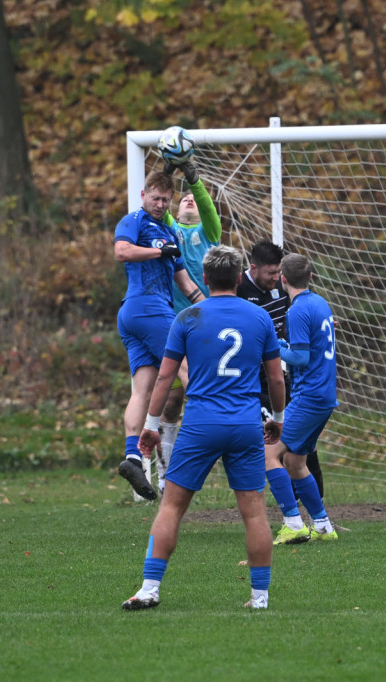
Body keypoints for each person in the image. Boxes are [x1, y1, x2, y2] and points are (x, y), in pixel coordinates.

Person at [121, 245, 286, 610]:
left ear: (206, 279)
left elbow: (165, 377)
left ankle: (150, 588)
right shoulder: (259, 318)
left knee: (172, 507)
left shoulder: (188, 317)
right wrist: (277, 419)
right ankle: (259, 597)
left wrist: (150, 425)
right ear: (240, 276)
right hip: (245, 425)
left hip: (200, 424)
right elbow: (275, 378)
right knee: (255, 513)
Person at [114, 169, 205, 501]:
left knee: (144, 388)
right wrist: (159, 252)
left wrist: (214, 310)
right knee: (187, 365)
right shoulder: (133, 220)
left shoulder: (170, 231)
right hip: (147, 307)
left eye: (166, 199)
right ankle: (207, 429)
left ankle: (133, 456)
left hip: (139, 314)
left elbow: (186, 284)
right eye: (156, 197)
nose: (160, 203)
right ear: (144, 195)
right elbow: (122, 252)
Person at [237, 239, 325, 498]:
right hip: (252, 381)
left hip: (279, 376)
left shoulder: (282, 290)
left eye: (279, 273)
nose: (276, 278)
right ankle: (292, 511)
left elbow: (291, 326)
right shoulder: (237, 289)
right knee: (270, 446)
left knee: (306, 446)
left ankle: (315, 512)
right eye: (270, 273)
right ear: (253, 268)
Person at [154, 162, 223, 495]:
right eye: (182, 199)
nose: (189, 201)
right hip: (175, 325)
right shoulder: (169, 231)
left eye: (192, 199)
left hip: (208, 325)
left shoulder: (210, 233)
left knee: (204, 392)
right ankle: (163, 474)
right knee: (172, 402)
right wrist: (168, 171)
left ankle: (214, 452)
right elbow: (159, 203)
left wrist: (194, 178)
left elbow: (205, 204)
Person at [263, 253, 339, 545]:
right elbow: (308, 349)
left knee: (267, 454)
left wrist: (273, 348)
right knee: (295, 461)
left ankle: (293, 523)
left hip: (309, 396)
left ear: (283, 280)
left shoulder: (296, 311)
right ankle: (322, 525)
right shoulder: (319, 303)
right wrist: (285, 346)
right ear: (311, 277)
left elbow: (301, 357)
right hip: (325, 396)